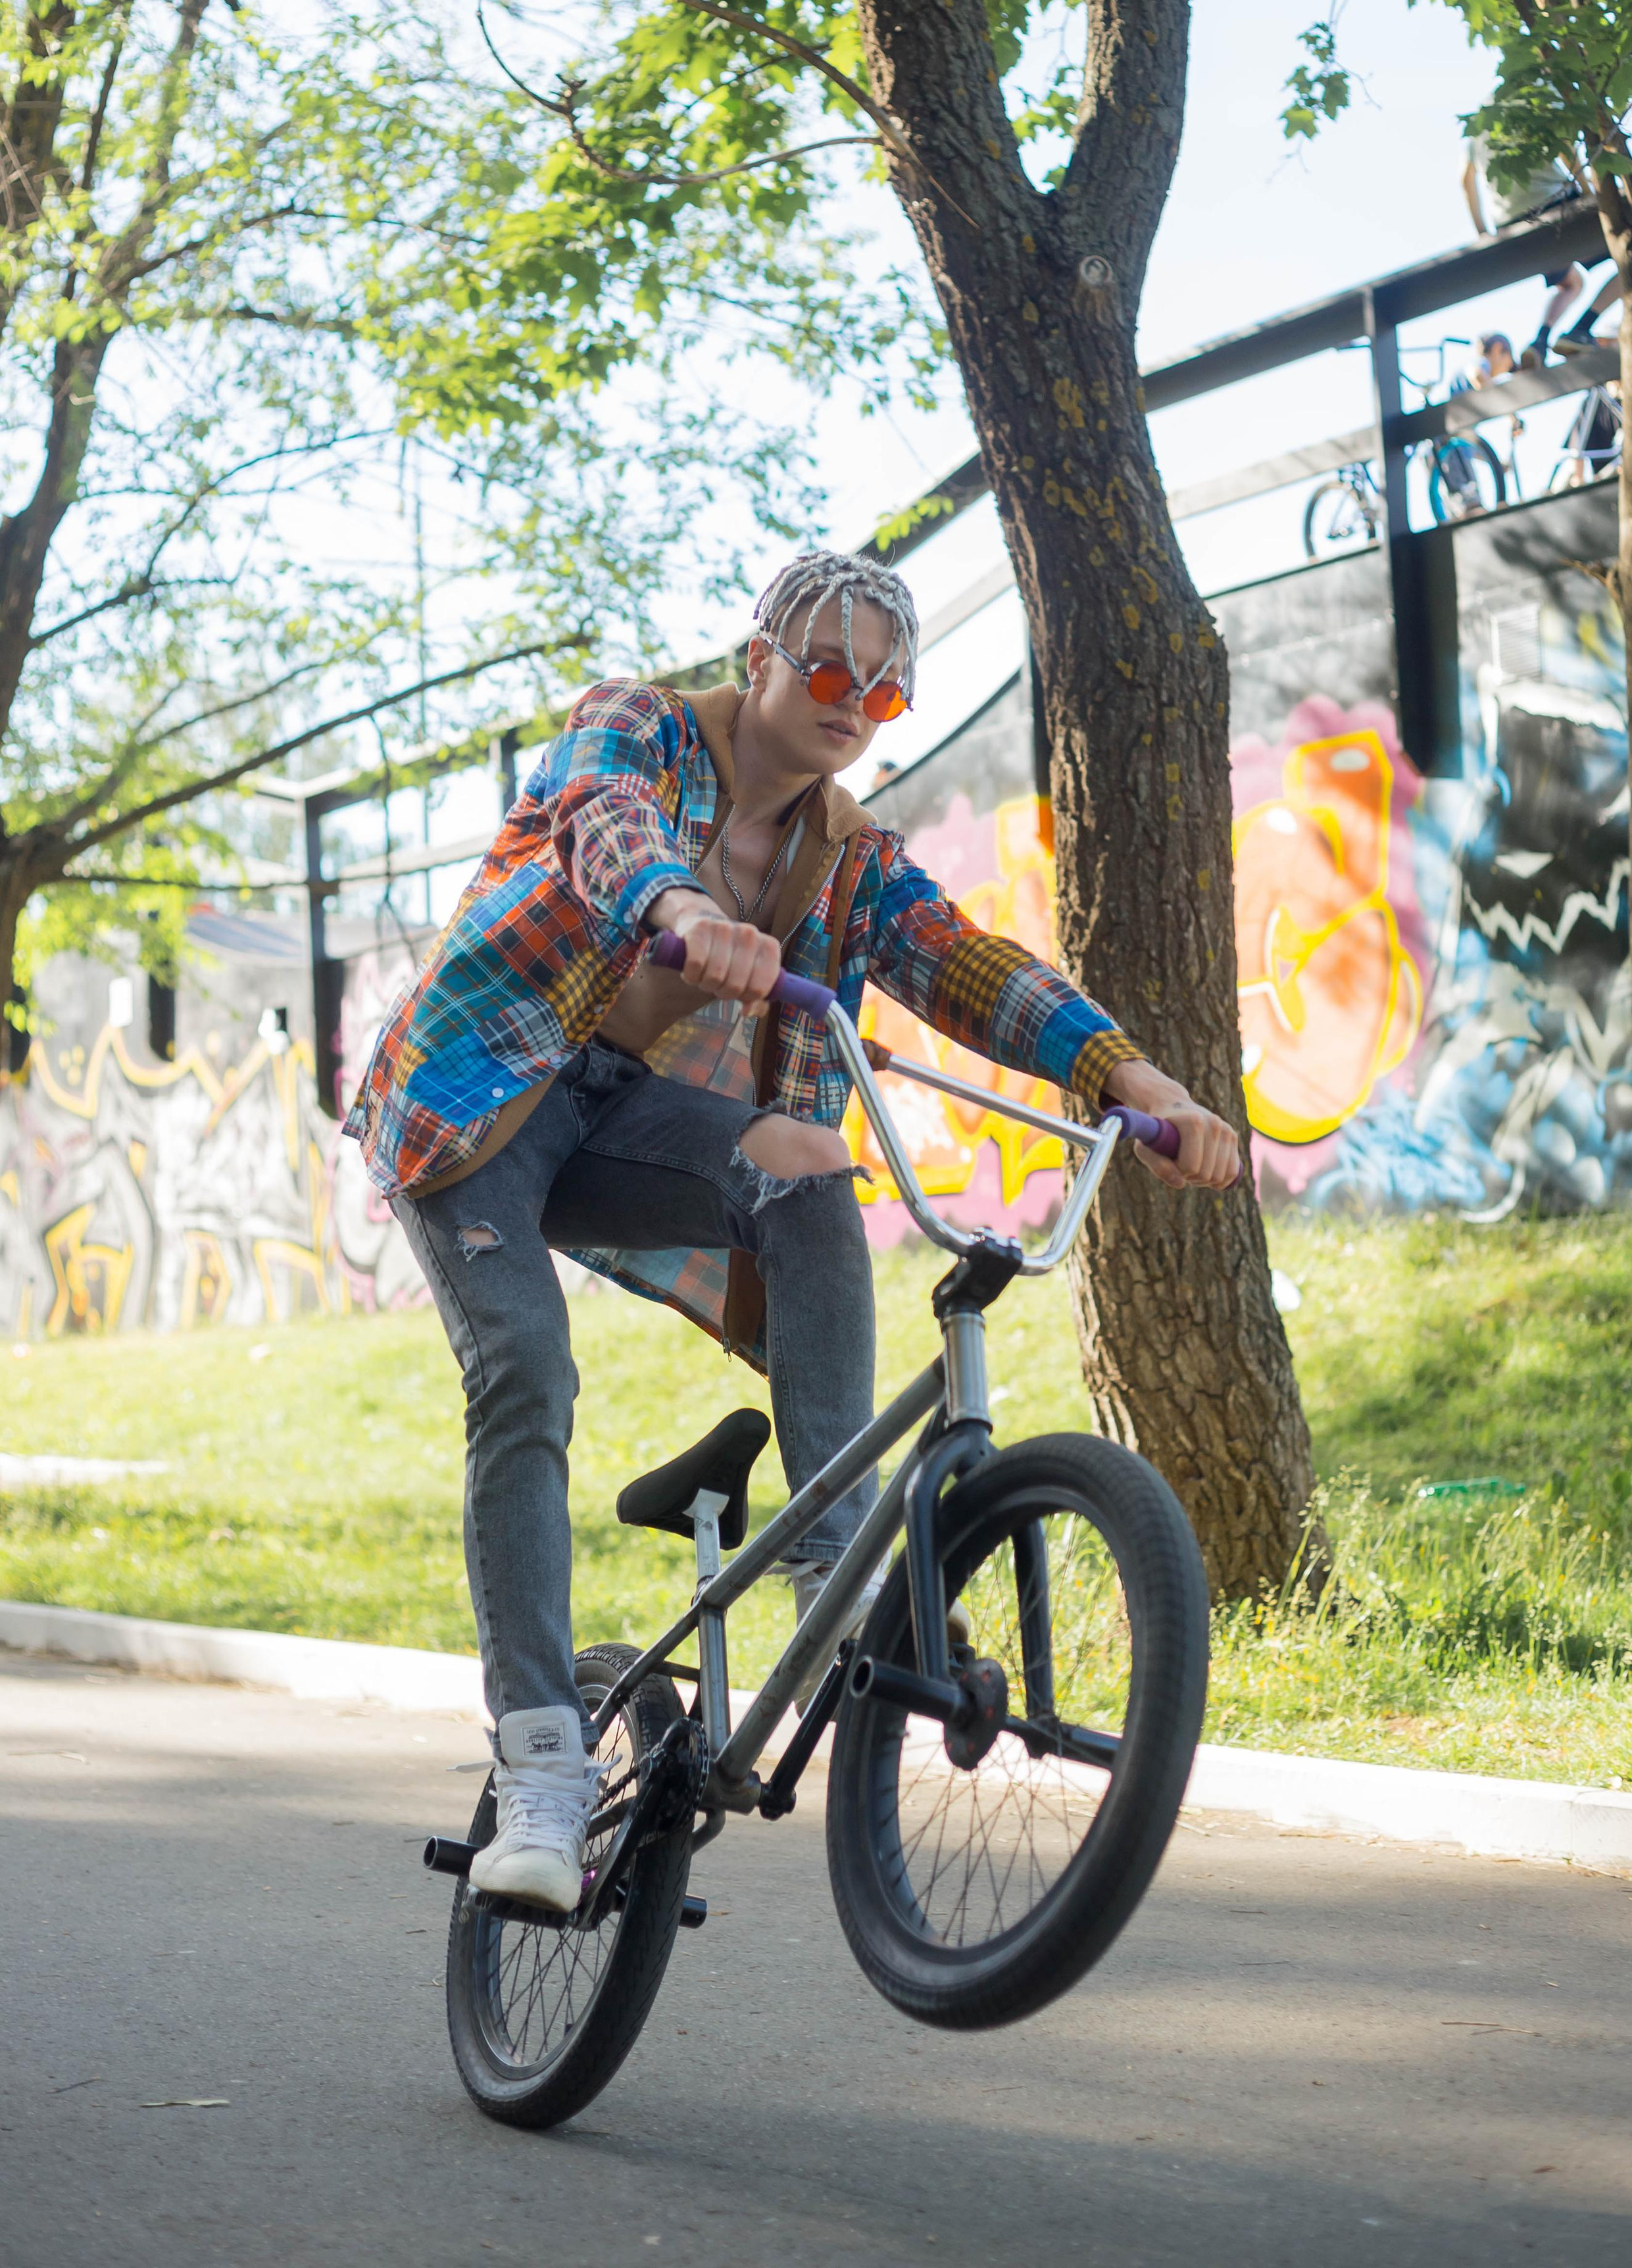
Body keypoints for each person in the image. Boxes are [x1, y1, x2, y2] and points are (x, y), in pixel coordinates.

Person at [345, 550, 1239, 1912]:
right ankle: (539, 1764)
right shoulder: (634, 725)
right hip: (478, 1101)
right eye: (827, 670)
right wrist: (685, 910)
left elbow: (965, 963)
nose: (851, 703)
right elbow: (603, 824)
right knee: (525, 1369)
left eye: (882, 691)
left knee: (809, 1163)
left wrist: (1133, 1077)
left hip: (619, 1117)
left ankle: (836, 1572)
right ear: (758, 657)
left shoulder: (844, 856)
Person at [1462, 136, 1618, 366]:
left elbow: (1465, 181)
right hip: (1557, 205)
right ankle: (1581, 329)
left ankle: (1540, 341)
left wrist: (1482, 232)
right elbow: (1566, 147)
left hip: (1511, 225)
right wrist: (1587, 192)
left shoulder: (1476, 130)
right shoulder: (1535, 102)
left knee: (1572, 284)